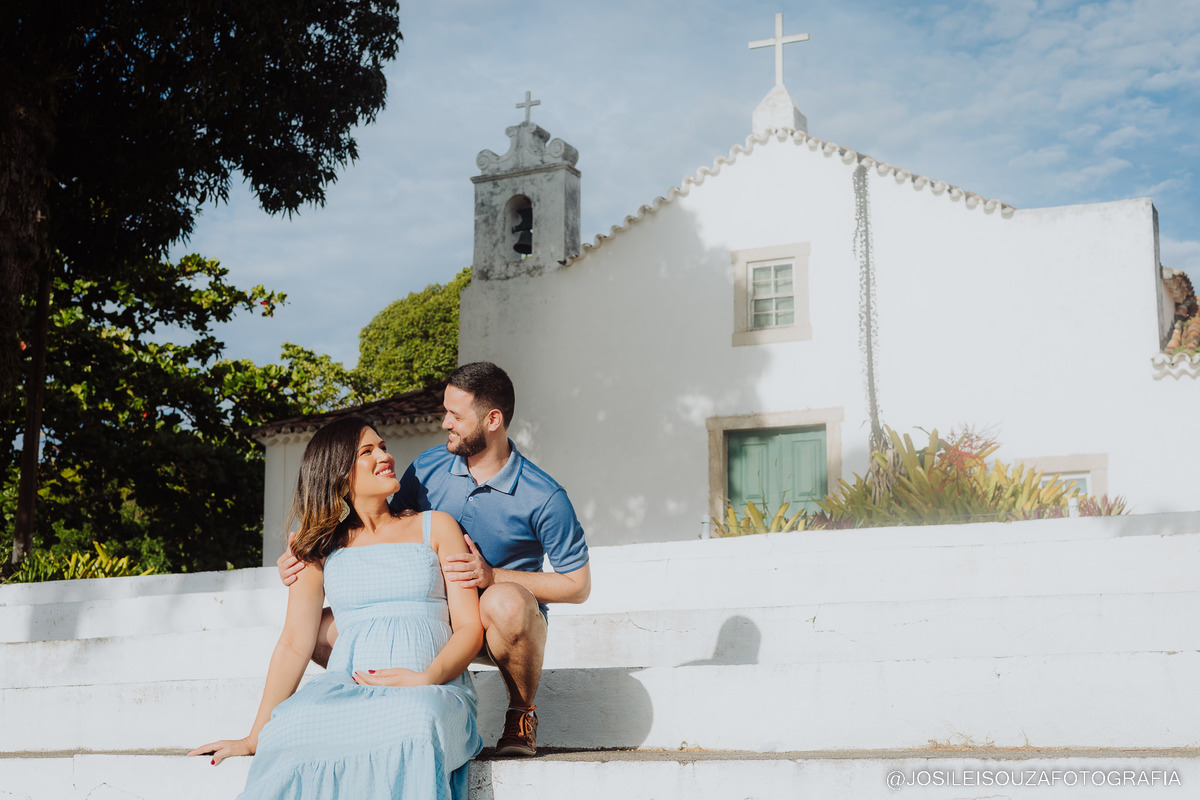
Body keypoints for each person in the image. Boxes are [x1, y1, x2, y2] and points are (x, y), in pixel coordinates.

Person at [278, 361, 591, 757]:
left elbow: (578, 585)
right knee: (322, 627)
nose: (445, 423)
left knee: (504, 602)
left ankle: (520, 713)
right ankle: (378, 688)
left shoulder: (544, 495)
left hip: (502, 626)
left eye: (456, 415)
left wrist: (492, 575)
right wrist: (307, 554)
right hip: (430, 617)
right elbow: (380, 524)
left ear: (492, 420)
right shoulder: (428, 467)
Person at [191, 416, 484, 799]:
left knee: (415, 721)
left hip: (433, 688)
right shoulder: (321, 548)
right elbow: (295, 642)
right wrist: (254, 735)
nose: (385, 455)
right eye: (368, 451)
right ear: (339, 474)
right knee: (289, 725)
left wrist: (426, 677)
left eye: (382, 446)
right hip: (348, 685)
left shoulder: (437, 527)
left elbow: (469, 628)